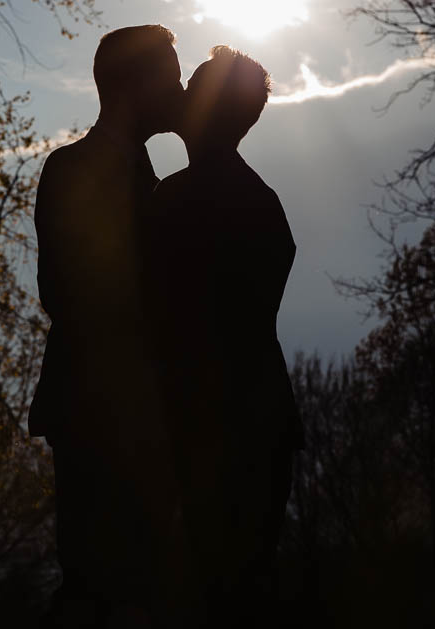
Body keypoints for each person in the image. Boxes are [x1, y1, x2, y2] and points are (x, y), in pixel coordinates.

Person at [29, 25, 185, 628]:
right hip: (99, 412)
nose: (177, 88)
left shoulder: (149, 176)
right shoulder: (74, 169)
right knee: (100, 586)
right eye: (168, 75)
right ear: (135, 83)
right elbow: (67, 292)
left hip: (135, 412)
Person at [149, 46, 304, 628]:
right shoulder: (261, 200)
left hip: (212, 426)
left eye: (192, 87)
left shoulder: (178, 199)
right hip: (258, 420)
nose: (180, 95)